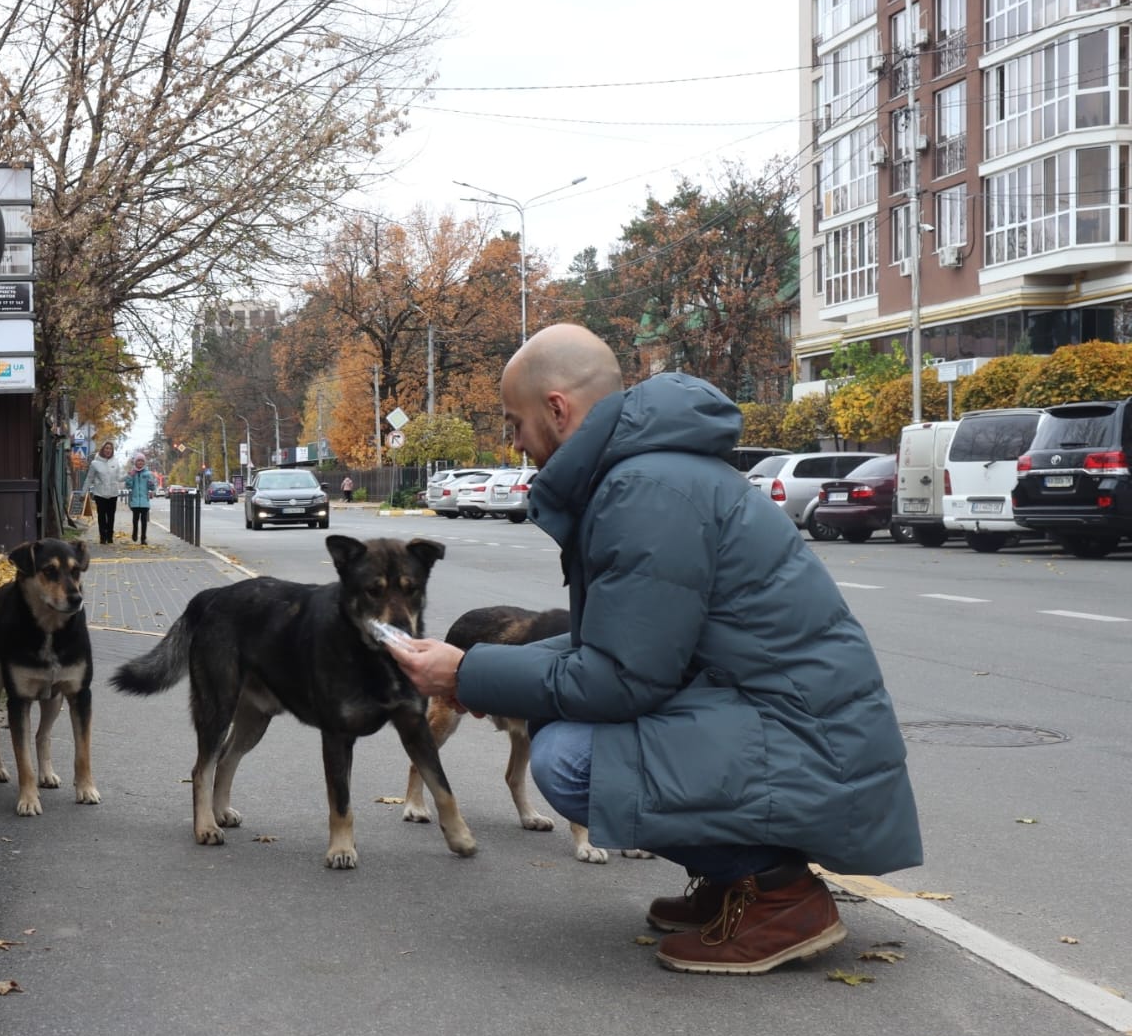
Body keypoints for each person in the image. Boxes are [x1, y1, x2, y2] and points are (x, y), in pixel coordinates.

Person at [386, 323, 922, 976]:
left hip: (811, 743)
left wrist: (468, 671)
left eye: (515, 423)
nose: (517, 444)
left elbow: (618, 680)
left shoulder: (644, 491)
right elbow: (608, 651)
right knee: (566, 724)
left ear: (557, 409)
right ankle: (734, 884)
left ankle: (779, 896)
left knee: (567, 757)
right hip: (798, 727)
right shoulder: (647, 474)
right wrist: (468, 670)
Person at [85, 441, 122, 545]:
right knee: (101, 516)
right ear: (102, 449)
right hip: (100, 494)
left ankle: (110, 536)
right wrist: (83, 493)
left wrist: (130, 475)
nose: (108, 450)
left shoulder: (115, 462)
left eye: (110, 448)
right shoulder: (95, 463)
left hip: (113, 494)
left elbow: (119, 477)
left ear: (112, 450)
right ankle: (102, 537)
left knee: (111, 517)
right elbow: (89, 478)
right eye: (106, 448)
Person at [125, 452, 155, 546]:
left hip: (144, 501)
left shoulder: (148, 473)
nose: (140, 462)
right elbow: (128, 485)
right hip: (134, 501)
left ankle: (143, 538)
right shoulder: (132, 473)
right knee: (135, 520)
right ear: (135, 462)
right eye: (138, 461)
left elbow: (153, 487)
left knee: (144, 521)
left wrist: (151, 485)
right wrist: (130, 476)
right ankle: (134, 533)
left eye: (142, 461)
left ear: (144, 462)